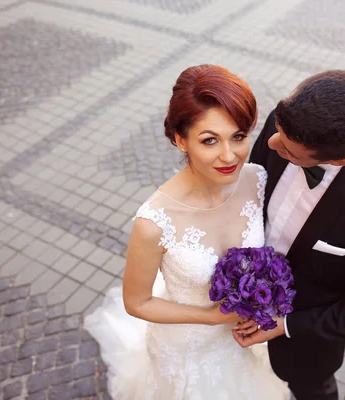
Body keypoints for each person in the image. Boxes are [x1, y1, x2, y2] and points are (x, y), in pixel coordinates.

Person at [84, 64, 289, 399]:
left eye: (238, 136)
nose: (229, 156)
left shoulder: (257, 180)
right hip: (186, 347)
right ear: (181, 140)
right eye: (210, 141)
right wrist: (211, 317)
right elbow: (138, 303)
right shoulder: (154, 222)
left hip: (242, 339)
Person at [234, 70, 345, 400]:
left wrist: (285, 325)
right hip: (238, 310)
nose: (271, 143)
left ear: (340, 160)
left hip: (303, 346)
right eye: (276, 132)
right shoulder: (285, 122)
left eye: (288, 151)